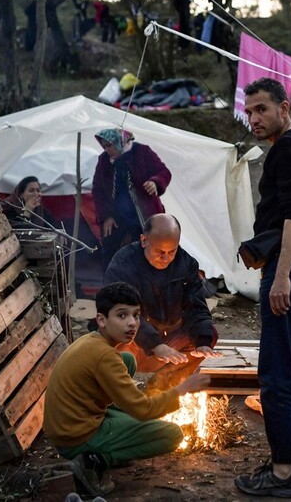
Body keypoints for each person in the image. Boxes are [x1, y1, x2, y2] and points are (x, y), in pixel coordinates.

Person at [234, 77, 291, 498]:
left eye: (261, 109)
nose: (252, 118)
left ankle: (283, 471)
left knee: (276, 372)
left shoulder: (287, 149)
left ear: (284, 108)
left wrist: (282, 275)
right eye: (249, 111)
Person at [43, 282, 211, 497]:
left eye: (136, 315)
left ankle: (116, 440)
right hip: (75, 438)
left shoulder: (92, 341)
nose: (132, 323)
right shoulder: (104, 357)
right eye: (122, 316)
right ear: (101, 320)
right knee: (171, 434)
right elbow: (143, 410)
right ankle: (92, 462)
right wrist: (181, 389)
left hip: (72, 422)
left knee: (128, 359)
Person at [104, 213, 221, 392]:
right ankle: (119, 392)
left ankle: (158, 390)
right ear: (144, 240)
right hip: (135, 343)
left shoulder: (186, 264)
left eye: (171, 251)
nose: (166, 258)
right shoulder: (123, 264)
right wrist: (155, 344)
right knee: (118, 330)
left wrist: (202, 341)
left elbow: (196, 306)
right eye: (159, 252)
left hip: (169, 342)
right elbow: (122, 312)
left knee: (207, 333)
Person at [91, 128, 171, 269]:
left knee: (147, 250)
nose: (106, 150)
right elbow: (98, 190)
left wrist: (154, 182)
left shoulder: (142, 152)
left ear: (120, 142)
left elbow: (163, 172)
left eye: (109, 145)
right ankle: (111, 286)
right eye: (104, 146)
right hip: (116, 215)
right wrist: (106, 216)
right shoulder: (104, 160)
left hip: (143, 213)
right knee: (110, 251)